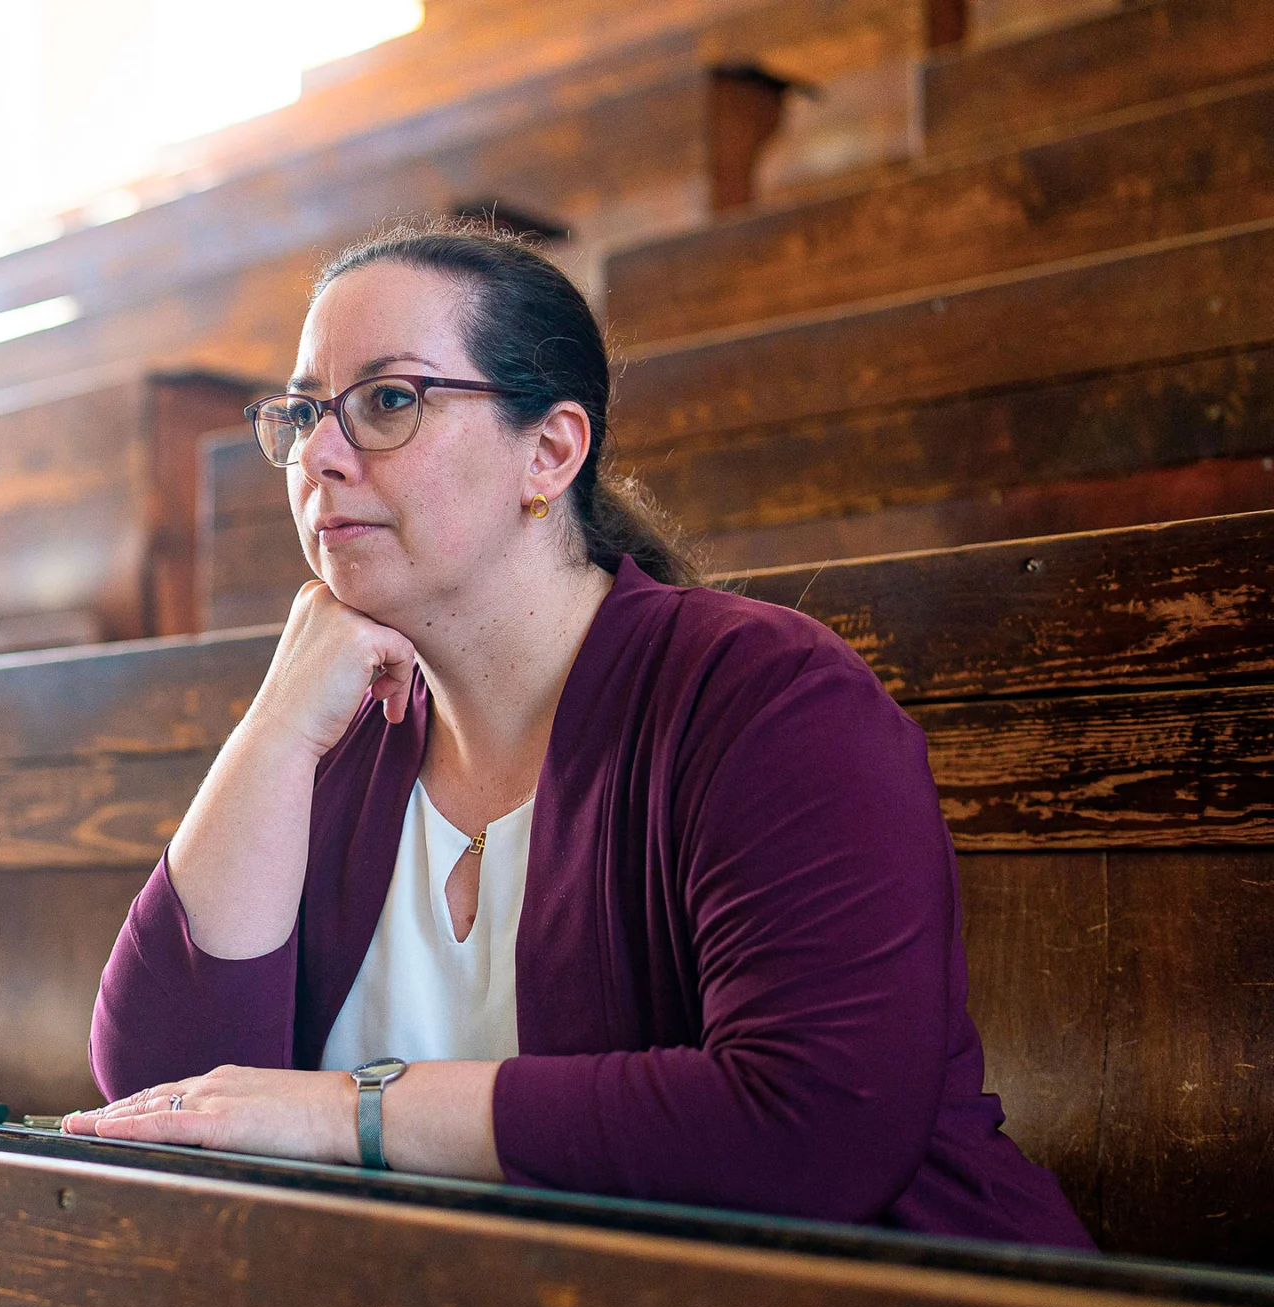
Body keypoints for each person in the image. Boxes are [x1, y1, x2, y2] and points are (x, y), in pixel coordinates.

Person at [64, 221, 1090, 1246]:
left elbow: (810, 1126)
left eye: (387, 401)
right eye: (301, 414)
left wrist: (351, 1113)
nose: (318, 458)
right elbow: (166, 1095)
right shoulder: (340, 730)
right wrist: (278, 723)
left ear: (548, 453)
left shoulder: (766, 696)